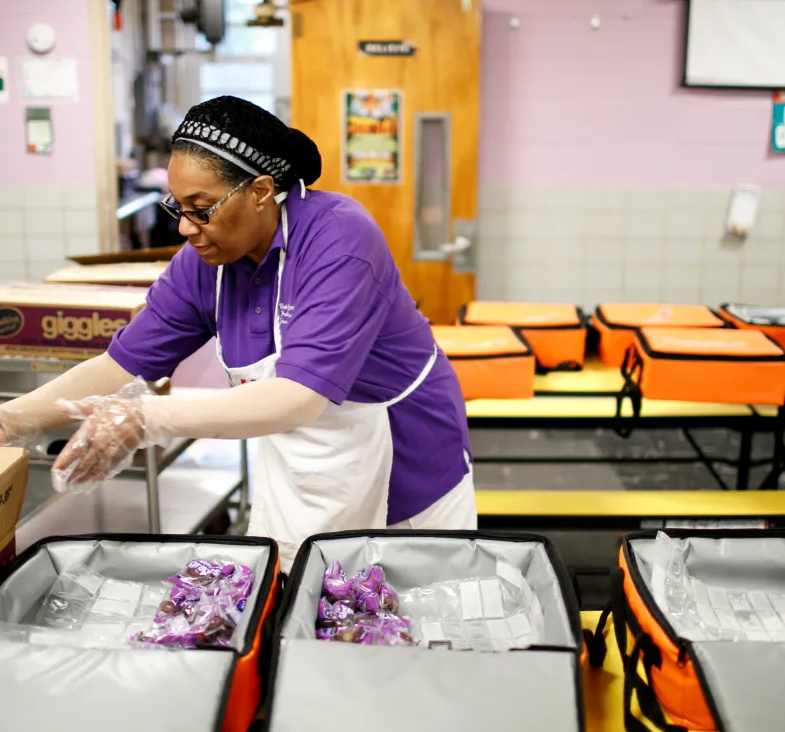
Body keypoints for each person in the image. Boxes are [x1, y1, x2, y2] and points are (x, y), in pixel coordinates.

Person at [0, 96, 476, 569]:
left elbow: (297, 398)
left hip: (401, 464)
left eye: (201, 207)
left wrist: (145, 418)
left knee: (391, 617)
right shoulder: (207, 260)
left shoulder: (340, 240)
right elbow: (120, 364)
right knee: (295, 609)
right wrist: (10, 420)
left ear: (262, 191)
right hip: (300, 463)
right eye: (177, 207)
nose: (187, 227)